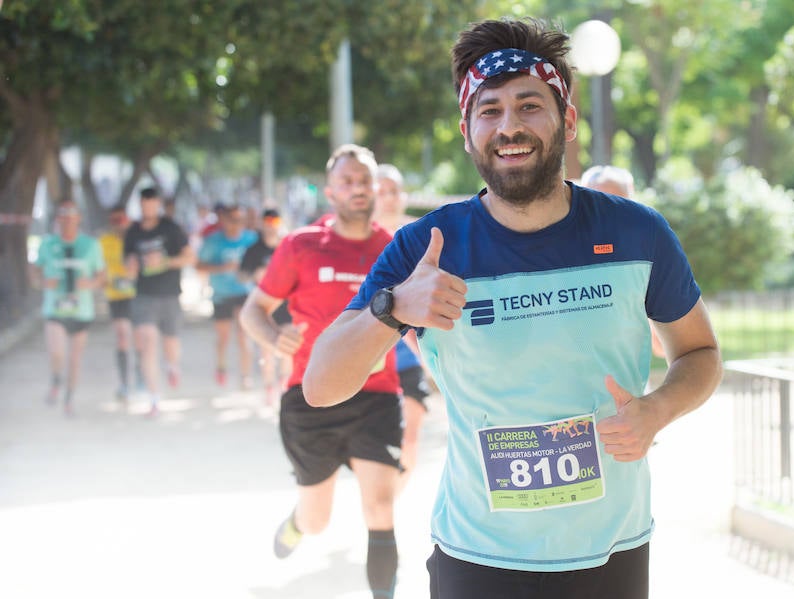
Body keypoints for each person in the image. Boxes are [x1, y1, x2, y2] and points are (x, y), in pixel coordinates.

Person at [303, 18, 723, 599]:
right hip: (479, 557)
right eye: (490, 111)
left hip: (612, 550)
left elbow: (700, 353)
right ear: (467, 132)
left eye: (530, 106)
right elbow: (321, 386)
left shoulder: (635, 232)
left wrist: (656, 411)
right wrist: (395, 306)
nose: (509, 126)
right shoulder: (429, 248)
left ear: (567, 120)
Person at [239, 144, 403, 599]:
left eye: (364, 181)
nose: (357, 189)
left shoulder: (393, 249)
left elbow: (413, 323)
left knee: (381, 506)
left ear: (377, 187)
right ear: (330, 191)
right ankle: (296, 523)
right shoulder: (301, 245)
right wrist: (274, 338)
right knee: (318, 520)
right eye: (347, 181)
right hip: (311, 396)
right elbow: (254, 310)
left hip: (376, 394)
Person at [374, 164, 433, 489]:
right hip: (371, 357)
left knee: (410, 442)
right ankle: (379, 506)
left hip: (411, 354)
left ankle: (388, 507)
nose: (387, 198)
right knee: (377, 450)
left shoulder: (420, 237)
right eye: (380, 191)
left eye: (393, 190)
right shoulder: (359, 241)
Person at [30, 199, 106, 417]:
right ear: (58, 219)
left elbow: (102, 277)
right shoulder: (47, 244)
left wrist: (89, 284)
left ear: (78, 218)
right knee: (57, 352)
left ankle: (69, 397)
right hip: (55, 310)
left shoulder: (91, 245)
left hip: (81, 311)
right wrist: (43, 282)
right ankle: (56, 380)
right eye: (63, 215)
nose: (68, 220)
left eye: (72, 215)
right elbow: (35, 272)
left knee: (74, 358)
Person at [581, 165, 665, 361]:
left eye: (617, 204)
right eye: (597, 202)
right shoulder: (563, 252)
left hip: (631, 382)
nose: (607, 213)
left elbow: (663, 348)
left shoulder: (644, 253)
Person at [124, 186, 195, 417]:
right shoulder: (132, 232)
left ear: (158, 204)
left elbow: (189, 257)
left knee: (170, 344)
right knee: (147, 344)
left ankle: (173, 366)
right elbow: (128, 266)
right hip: (144, 296)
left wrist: (164, 261)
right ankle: (154, 398)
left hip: (170, 295)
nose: (149, 207)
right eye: (145, 203)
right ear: (140, 204)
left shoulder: (171, 228)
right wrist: (132, 267)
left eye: (153, 202)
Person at [197, 204, 258, 388]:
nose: (236, 224)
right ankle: (221, 367)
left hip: (244, 293)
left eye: (240, 220)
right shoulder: (212, 241)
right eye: (232, 220)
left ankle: (245, 376)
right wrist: (222, 268)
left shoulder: (252, 239)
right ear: (224, 220)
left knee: (243, 335)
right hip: (221, 294)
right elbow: (199, 266)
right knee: (223, 337)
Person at [238, 207, 292, 405]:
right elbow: (241, 274)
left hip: (287, 305)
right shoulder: (253, 250)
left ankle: (284, 384)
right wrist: (256, 275)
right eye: (267, 221)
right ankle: (269, 387)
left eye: (274, 221)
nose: (270, 226)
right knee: (266, 349)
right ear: (261, 223)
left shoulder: (288, 246)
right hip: (263, 305)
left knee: (288, 347)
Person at [98, 203, 143, 400]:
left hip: (139, 296)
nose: (119, 224)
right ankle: (124, 383)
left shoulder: (137, 239)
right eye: (115, 220)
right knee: (123, 337)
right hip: (116, 297)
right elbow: (97, 269)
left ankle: (142, 378)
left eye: (122, 219)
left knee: (140, 339)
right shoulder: (103, 241)